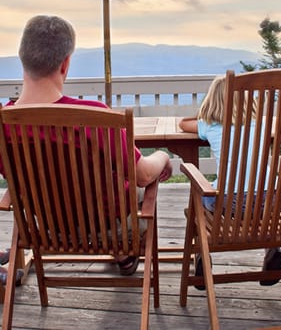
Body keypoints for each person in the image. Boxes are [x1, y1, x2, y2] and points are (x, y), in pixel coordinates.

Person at [0, 15, 172, 276]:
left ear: (23, 58)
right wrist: (162, 156)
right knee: (136, 189)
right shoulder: (94, 117)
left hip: (46, 227)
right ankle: (123, 251)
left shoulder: (4, 126)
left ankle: (122, 255)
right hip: (108, 227)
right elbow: (143, 175)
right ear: (65, 64)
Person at [179, 74, 281, 288]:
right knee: (260, 203)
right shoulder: (262, 124)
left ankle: (202, 256)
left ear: (213, 102)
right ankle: (273, 250)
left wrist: (203, 113)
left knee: (200, 199)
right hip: (269, 200)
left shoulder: (210, 126)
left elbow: (183, 124)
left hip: (229, 204)